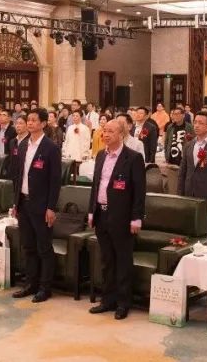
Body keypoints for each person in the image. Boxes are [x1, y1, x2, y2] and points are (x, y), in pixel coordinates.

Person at [87, 119, 146, 320]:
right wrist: (91, 211)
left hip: (122, 216)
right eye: (104, 131)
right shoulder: (100, 155)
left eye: (111, 131)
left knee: (123, 261)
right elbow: (96, 186)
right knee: (107, 260)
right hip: (101, 214)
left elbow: (139, 192)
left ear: (121, 134)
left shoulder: (133, 158)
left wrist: (136, 218)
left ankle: (123, 303)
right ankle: (107, 300)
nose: (106, 134)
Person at [11, 108, 63, 303]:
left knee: (44, 247)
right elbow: (18, 176)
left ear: (43, 123)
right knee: (28, 246)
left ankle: (45, 287)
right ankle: (30, 284)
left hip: (41, 205)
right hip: (23, 202)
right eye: (29, 120)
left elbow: (55, 180)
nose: (30, 123)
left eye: (34, 120)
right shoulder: (23, 145)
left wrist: (51, 207)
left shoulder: (50, 148)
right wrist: (15, 202)